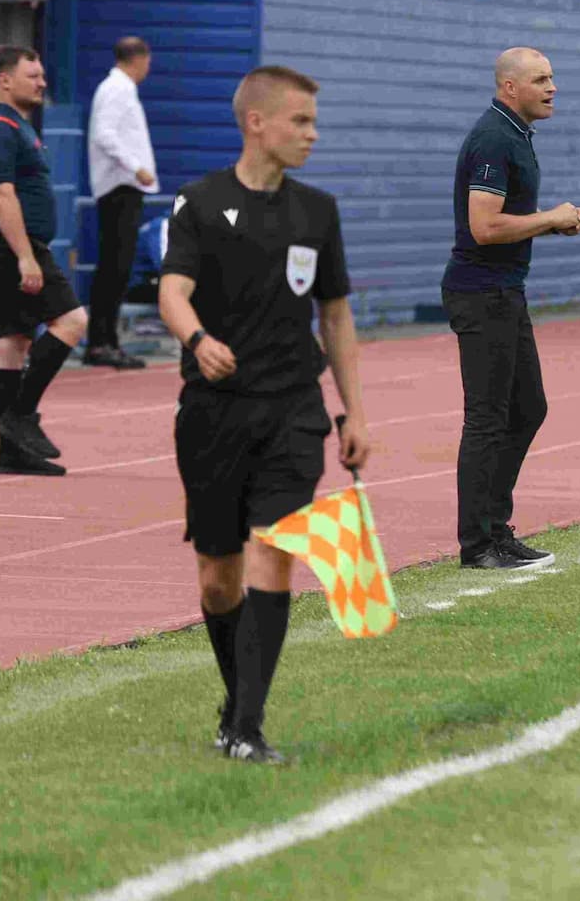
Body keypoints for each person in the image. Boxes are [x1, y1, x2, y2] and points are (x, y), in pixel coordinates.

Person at [157, 64, 371, 765]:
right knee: (219, 579)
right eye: (300, 121)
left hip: (294, 412)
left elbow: (335, 317)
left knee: (274, 552)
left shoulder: (318, 211)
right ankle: (235, 702)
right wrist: (198, 340)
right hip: (214, 416)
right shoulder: (199, 203)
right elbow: (172, 292)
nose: (313, 134)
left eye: (314, 121)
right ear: (258, 123)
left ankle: (248, 727)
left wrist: (355, 415)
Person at [442, 46, 580, 571]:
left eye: (552, 77)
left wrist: (553, 222)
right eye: (541, 79)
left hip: (504, 289)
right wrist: (549, 218)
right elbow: (484, 226)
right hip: (481, 292)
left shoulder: (516, 133)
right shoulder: (493, 137)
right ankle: (479, 543)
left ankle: (494, 527)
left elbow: (507, 222)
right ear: (510, 88)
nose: (552, 87)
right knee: (487, 417)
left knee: (527, 408)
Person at [0, 47, 89, 477]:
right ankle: (20, 415)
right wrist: (25, 257)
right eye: (32, 75)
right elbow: (0, 195)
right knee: (72, 321)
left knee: (12, 341)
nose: (41, 82)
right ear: (4, 80)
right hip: (8, 246)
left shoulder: (16, 125)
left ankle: (10, 451)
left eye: (42, 75)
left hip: (9, 244)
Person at [84, 35, 158, 369]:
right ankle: (101, 341)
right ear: (139, 59)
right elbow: (105, 134)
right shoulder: (117, 89)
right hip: (120, 185)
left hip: (123, 186)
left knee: (118, 266)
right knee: (114, 266)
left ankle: (107, 339)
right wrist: (136, 166)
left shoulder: (120, 89)